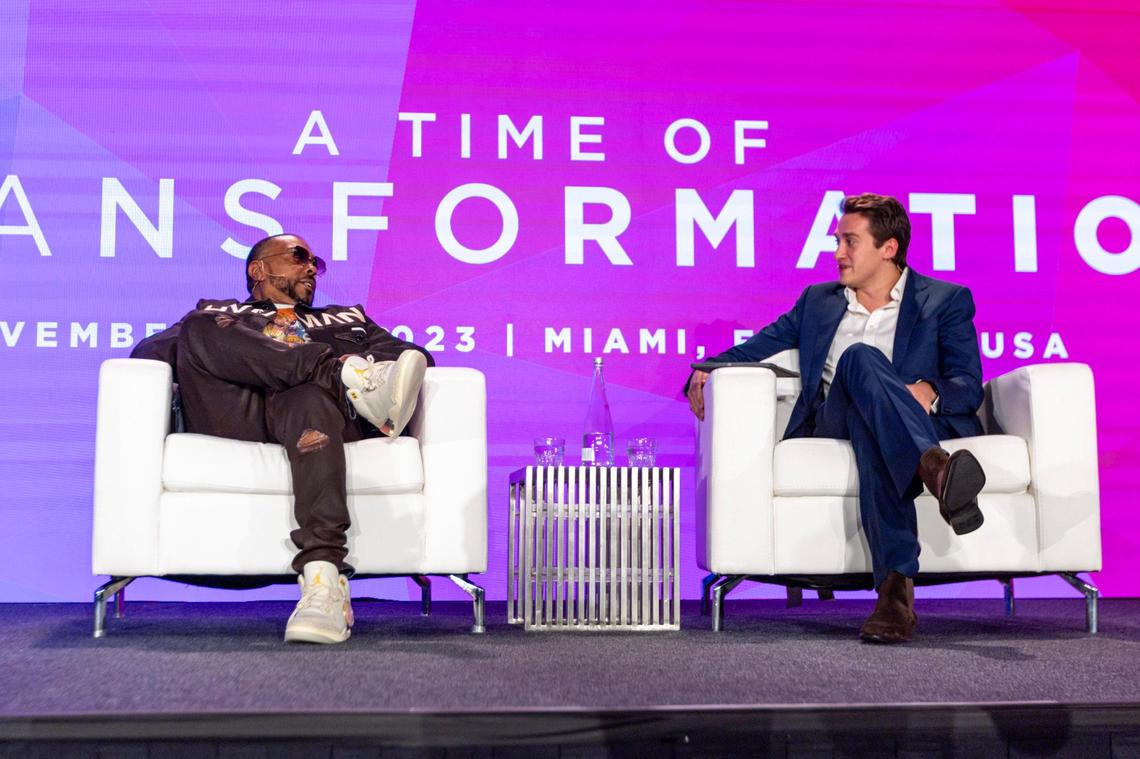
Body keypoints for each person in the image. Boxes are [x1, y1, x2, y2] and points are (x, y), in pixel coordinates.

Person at [685, 194, 987, 644]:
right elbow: (757, 347)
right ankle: (934, 468)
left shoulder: (945, 301)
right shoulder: (818, 302)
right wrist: (705, 367)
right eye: (837, 241)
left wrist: (928, 390)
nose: (837, 253)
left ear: (888, 248)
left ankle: (894, 594)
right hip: (833, 419)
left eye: (850, 241)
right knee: (860, 359)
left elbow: (967, 382)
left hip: (904, 423)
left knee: (876, 432)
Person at [131, 233, 433, 645]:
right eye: (299, 257)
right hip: (237, 415)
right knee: (199, 328)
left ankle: (323, 582)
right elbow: (148, 354)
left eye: (316, 263)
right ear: (258, 269)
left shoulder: (347, 317)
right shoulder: (219, 313)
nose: (312, 268)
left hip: (317, 417)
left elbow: (415, 358)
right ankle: (340, 373)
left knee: (306, 393)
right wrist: (254, 350)